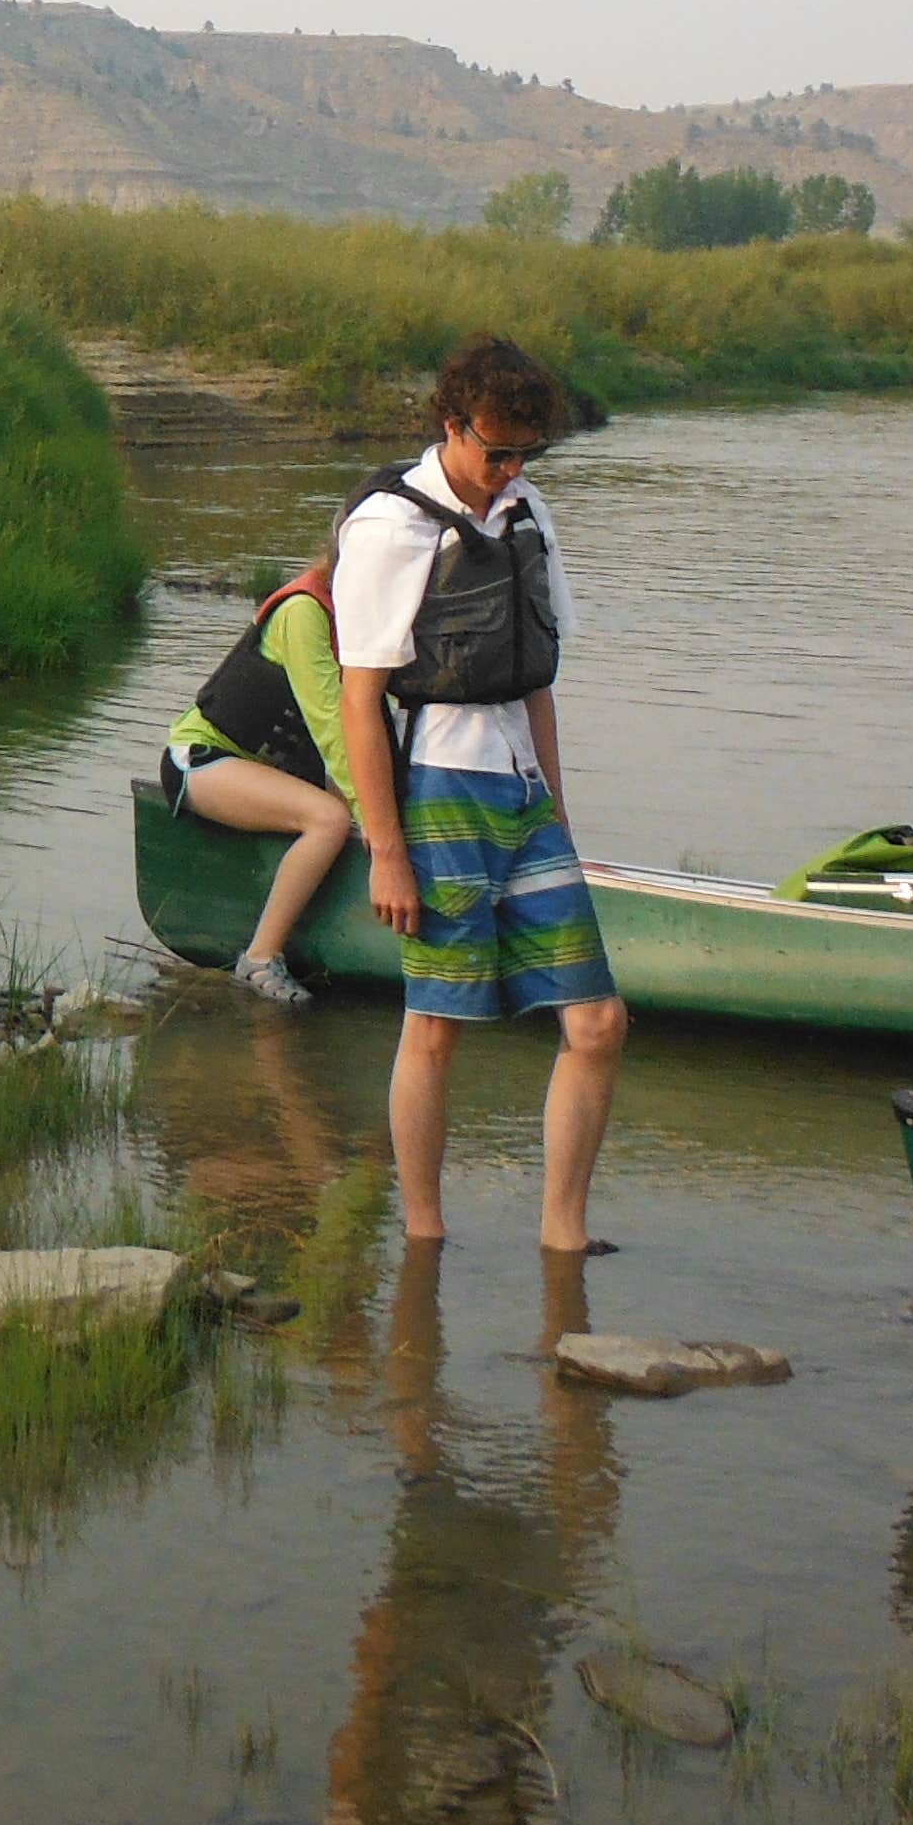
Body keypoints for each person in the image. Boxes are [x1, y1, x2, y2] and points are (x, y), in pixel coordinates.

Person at [335, 337, 624, 1252]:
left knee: (599, 1021)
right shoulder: (390, 529)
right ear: (450, 425)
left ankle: (563, 1238)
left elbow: (538, 676)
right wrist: (387, 850)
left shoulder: (528, 512)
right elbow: (360, 698)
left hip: (522, 788)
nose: (507, 472)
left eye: (523, 455)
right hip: (438, 784)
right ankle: (425, 1237)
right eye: (494, 452)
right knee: (437, 1025)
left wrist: (560, 813)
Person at [162, 553, 360, 1004]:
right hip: (201, 759)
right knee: (329, 819)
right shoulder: (304, 611)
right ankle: (259, 957)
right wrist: (378, 830)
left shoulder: (365, 622)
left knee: (346, 813)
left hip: (259, 769)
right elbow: (332, 726)